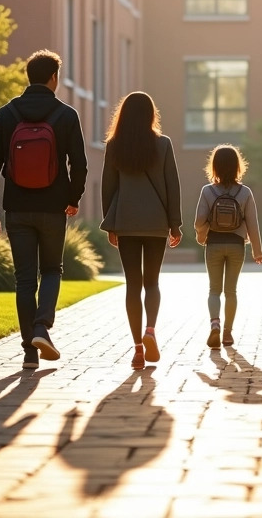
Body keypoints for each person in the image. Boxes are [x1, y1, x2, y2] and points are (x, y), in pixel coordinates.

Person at [0, 50, 87, 369]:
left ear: (28, 76)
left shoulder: (6, 114)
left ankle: (29, 352)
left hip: (17, 208)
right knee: (52, 269)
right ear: (54, 78)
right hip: (53, 208)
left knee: (24, 280)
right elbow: (79, 164)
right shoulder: (66, 115)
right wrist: (73, 197)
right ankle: (42, 327)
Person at [100, 91, 182, 370]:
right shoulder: (164, 144)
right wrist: (175, 224)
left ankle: (137, 348)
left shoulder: (114, 145)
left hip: (126, 220)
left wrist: (109, 223)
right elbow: (172, 185)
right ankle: (151, 331)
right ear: (150, 114)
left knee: (133, 285)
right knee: (152, 282)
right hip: (156, 222)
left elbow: (107, 187)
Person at [193, 144, 262, 349]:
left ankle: (214, 323)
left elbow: (199, 220)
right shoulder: (245, 192)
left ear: (214, 166)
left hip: (214, 244)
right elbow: (252, 223)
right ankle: (227, 334)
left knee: (214, 290)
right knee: (231, 291)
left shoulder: (207, 191)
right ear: (237, 167)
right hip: (236, 246)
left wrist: (202, 235)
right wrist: (257, 251)